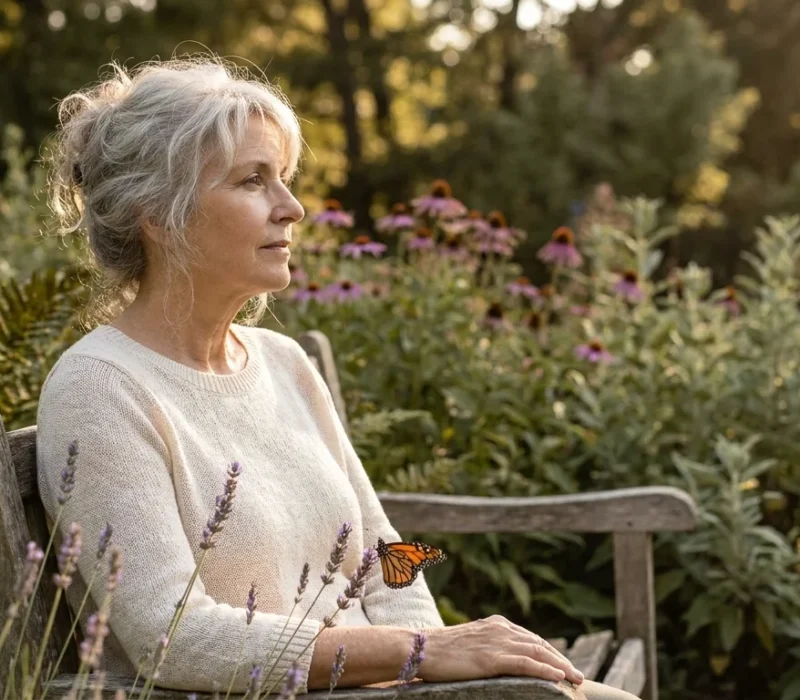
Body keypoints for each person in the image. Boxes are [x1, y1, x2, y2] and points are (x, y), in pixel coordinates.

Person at [36, 55, 640, 699]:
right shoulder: (101, 390)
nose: (292, 207)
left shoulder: (283, 363)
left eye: (285, 178)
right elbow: (172, 638)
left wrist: (437, 679)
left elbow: (385, 563)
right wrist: (421, 654)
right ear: (155, 214)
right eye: (252, 181)